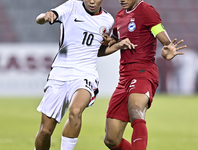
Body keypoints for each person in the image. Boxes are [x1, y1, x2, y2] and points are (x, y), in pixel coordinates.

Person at [34, 0, 136, 150]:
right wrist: (46, 16)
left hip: (85, 74)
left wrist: (117, 45)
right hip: (60, 72)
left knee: (75, 111)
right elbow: (40, 19)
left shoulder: (108, 20)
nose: (92, 1)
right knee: (45, 131)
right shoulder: (71, 6)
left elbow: (96, 50)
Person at [101, 0, 187, 150]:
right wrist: (109, 41)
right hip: (124, 78)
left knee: (135, 109)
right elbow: (116, 39)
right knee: (111, 139)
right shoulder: (120, 16)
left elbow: (162, 36)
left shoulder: (147, 10)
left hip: (143, 72)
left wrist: (168, 47)